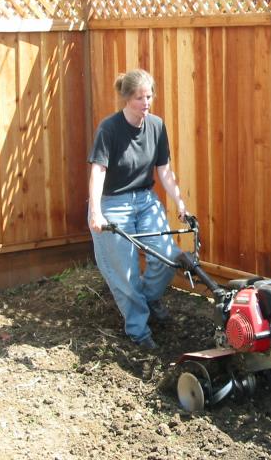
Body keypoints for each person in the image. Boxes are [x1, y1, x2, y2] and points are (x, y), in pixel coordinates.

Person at [87, 69, 188, 350]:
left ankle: (148, 298)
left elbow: (164, 171)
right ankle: (139, 331)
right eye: (139, 98)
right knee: (126, 273)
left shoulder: (156, 125)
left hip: (145, 200)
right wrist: (96, 211)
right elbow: (98, 170)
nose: (146, 102)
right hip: (113, 203)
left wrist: (180, 203)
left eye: (149, 96)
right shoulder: (110, 128)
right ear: (126, 99)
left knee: (168, 256)